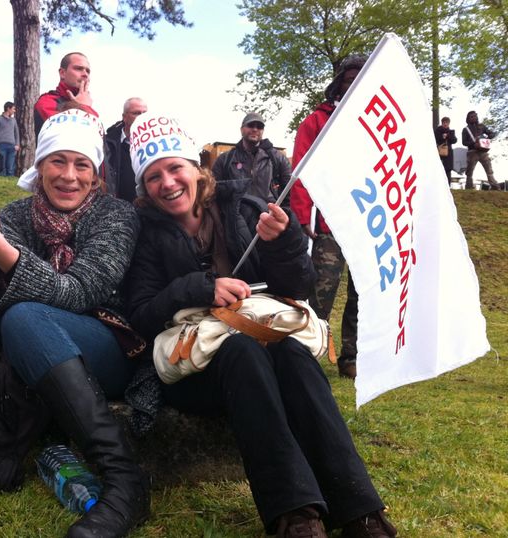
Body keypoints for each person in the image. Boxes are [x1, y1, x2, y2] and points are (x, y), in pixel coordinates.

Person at [126, 112, 397, 538]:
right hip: (198, 369)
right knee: (243, 352)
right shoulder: (145, 233)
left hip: (266, 343)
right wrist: (199, 287)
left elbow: (300, 284)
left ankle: (360, 509)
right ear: (145, 187)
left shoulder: (245, 207)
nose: (167, 183)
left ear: (196, 169)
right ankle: (295, 516)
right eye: (153, 176)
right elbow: (139, 315)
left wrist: (284, 241)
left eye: (175, 167)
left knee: (291, 352)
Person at [0, 109, 149, 538]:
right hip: (33, 335)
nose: (69, 175)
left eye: (81, 164)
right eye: (57, 161)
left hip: (106, 343)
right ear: (40, 165)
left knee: (25, 316)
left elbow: (78, 293)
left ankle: (125, 479)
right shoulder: (15, 213)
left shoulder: (117, 216)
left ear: (96, 173)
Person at [290, 54, 366, 379]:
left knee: (361, 297)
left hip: (367, 224)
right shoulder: (317, 122)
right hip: (329, 226)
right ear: (339, 82)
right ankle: (306, 354)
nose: (355, 86)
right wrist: (303, 215)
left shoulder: (375, 123)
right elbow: (301, 171)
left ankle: (351, 357)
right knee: (321, 293)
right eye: (350, 79)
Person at [212, 112, 292, 206]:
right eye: (250, 125)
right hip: (236, 217)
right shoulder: (225, 160)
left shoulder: (278, 158)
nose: (255, 129)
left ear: (263, 131)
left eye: (259, 127)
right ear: (241, 130)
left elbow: (289, 192)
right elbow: (213, 192)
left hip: (267, 216)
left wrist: (281, 214)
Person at [33, 52, 98, 137]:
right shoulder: (46, 102)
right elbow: (67, 137)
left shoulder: (87, 103)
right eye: (78, 68)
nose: (85, 74)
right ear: (62, 73)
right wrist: (83, 107)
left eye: (88, 71)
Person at [104, 97, 148, 202]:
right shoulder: (108, 142)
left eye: (144, 113)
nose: (142, 117)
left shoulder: (154, 143)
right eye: (136, 113)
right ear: (124, 117)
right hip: (116, 207)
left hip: (147, 209)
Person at [462, 110, 499, 190]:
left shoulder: (482, 126)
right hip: (472, 152)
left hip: (483, 151)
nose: (474, 117)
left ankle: (495, 187)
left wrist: (490, 136)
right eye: (471, 117)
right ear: (468, 118)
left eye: (475, 115)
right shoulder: (466, 129)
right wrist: (473, 144)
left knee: (489, 169)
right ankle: (469, 187)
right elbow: (464, 142)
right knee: (469, 171)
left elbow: (490, 133)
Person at [0, 101, 20, 176]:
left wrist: (17, 144)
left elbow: (16, 133)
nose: (14, 111)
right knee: (2, 167)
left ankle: (10, 183)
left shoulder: (13, 120)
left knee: (10, 167)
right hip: (1, 145)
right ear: (8, 109)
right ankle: (2, 183)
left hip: (12, 146)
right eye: (13, 109)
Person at [434, 117, 457, 184]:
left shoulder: (451, 132)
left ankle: (448, 184)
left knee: (448, 169)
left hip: (448, 153)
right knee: (439, 168)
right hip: (439, 152)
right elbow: (435, 139)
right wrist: (442, 137)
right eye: (444, 122)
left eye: (447, 122)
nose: (445, 124)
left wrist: (448, 136)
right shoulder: (438, 131)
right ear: (442, 123)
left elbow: (454, 140)